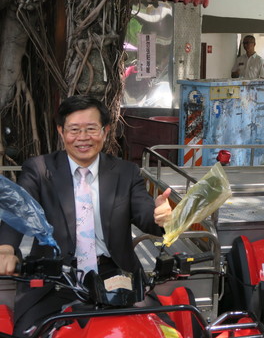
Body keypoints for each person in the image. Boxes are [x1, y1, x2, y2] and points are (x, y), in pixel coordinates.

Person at [0, 95, 173, 336]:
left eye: (91, 129)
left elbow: (144, 212)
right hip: (56, 278)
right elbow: (18, 210)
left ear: (105, 131)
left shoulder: (126, 171)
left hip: (118, 276)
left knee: (163, 331)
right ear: (61, 131)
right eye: (74, 130)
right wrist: (6, 249)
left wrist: (161, 216)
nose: (83, 138)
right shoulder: (39, 169)